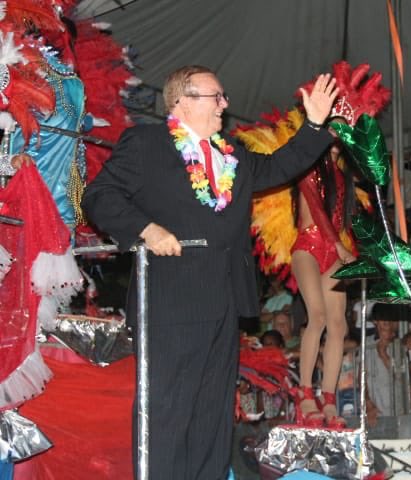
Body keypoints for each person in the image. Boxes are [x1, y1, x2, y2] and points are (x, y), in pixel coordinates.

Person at [81, 65, 338, 479]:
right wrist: (146, 229)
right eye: (215, 97)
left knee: (212, 412)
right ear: (182, 101)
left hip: (223, 300)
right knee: (169, 408)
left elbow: (279, 166)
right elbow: (99, 196)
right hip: (170, 300)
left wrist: (313, 125)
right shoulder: (148, 144)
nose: (225, 105)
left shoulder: (231, 154)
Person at [292, 61, 390, 428]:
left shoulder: (344, 176)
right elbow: (316, 210)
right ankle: (304, 394)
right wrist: (341, 248)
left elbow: (344, 218)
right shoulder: (304, 162)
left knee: (338, 325)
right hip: (308, 247)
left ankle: (329, 398)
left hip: (335, 250)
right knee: (316, 316)